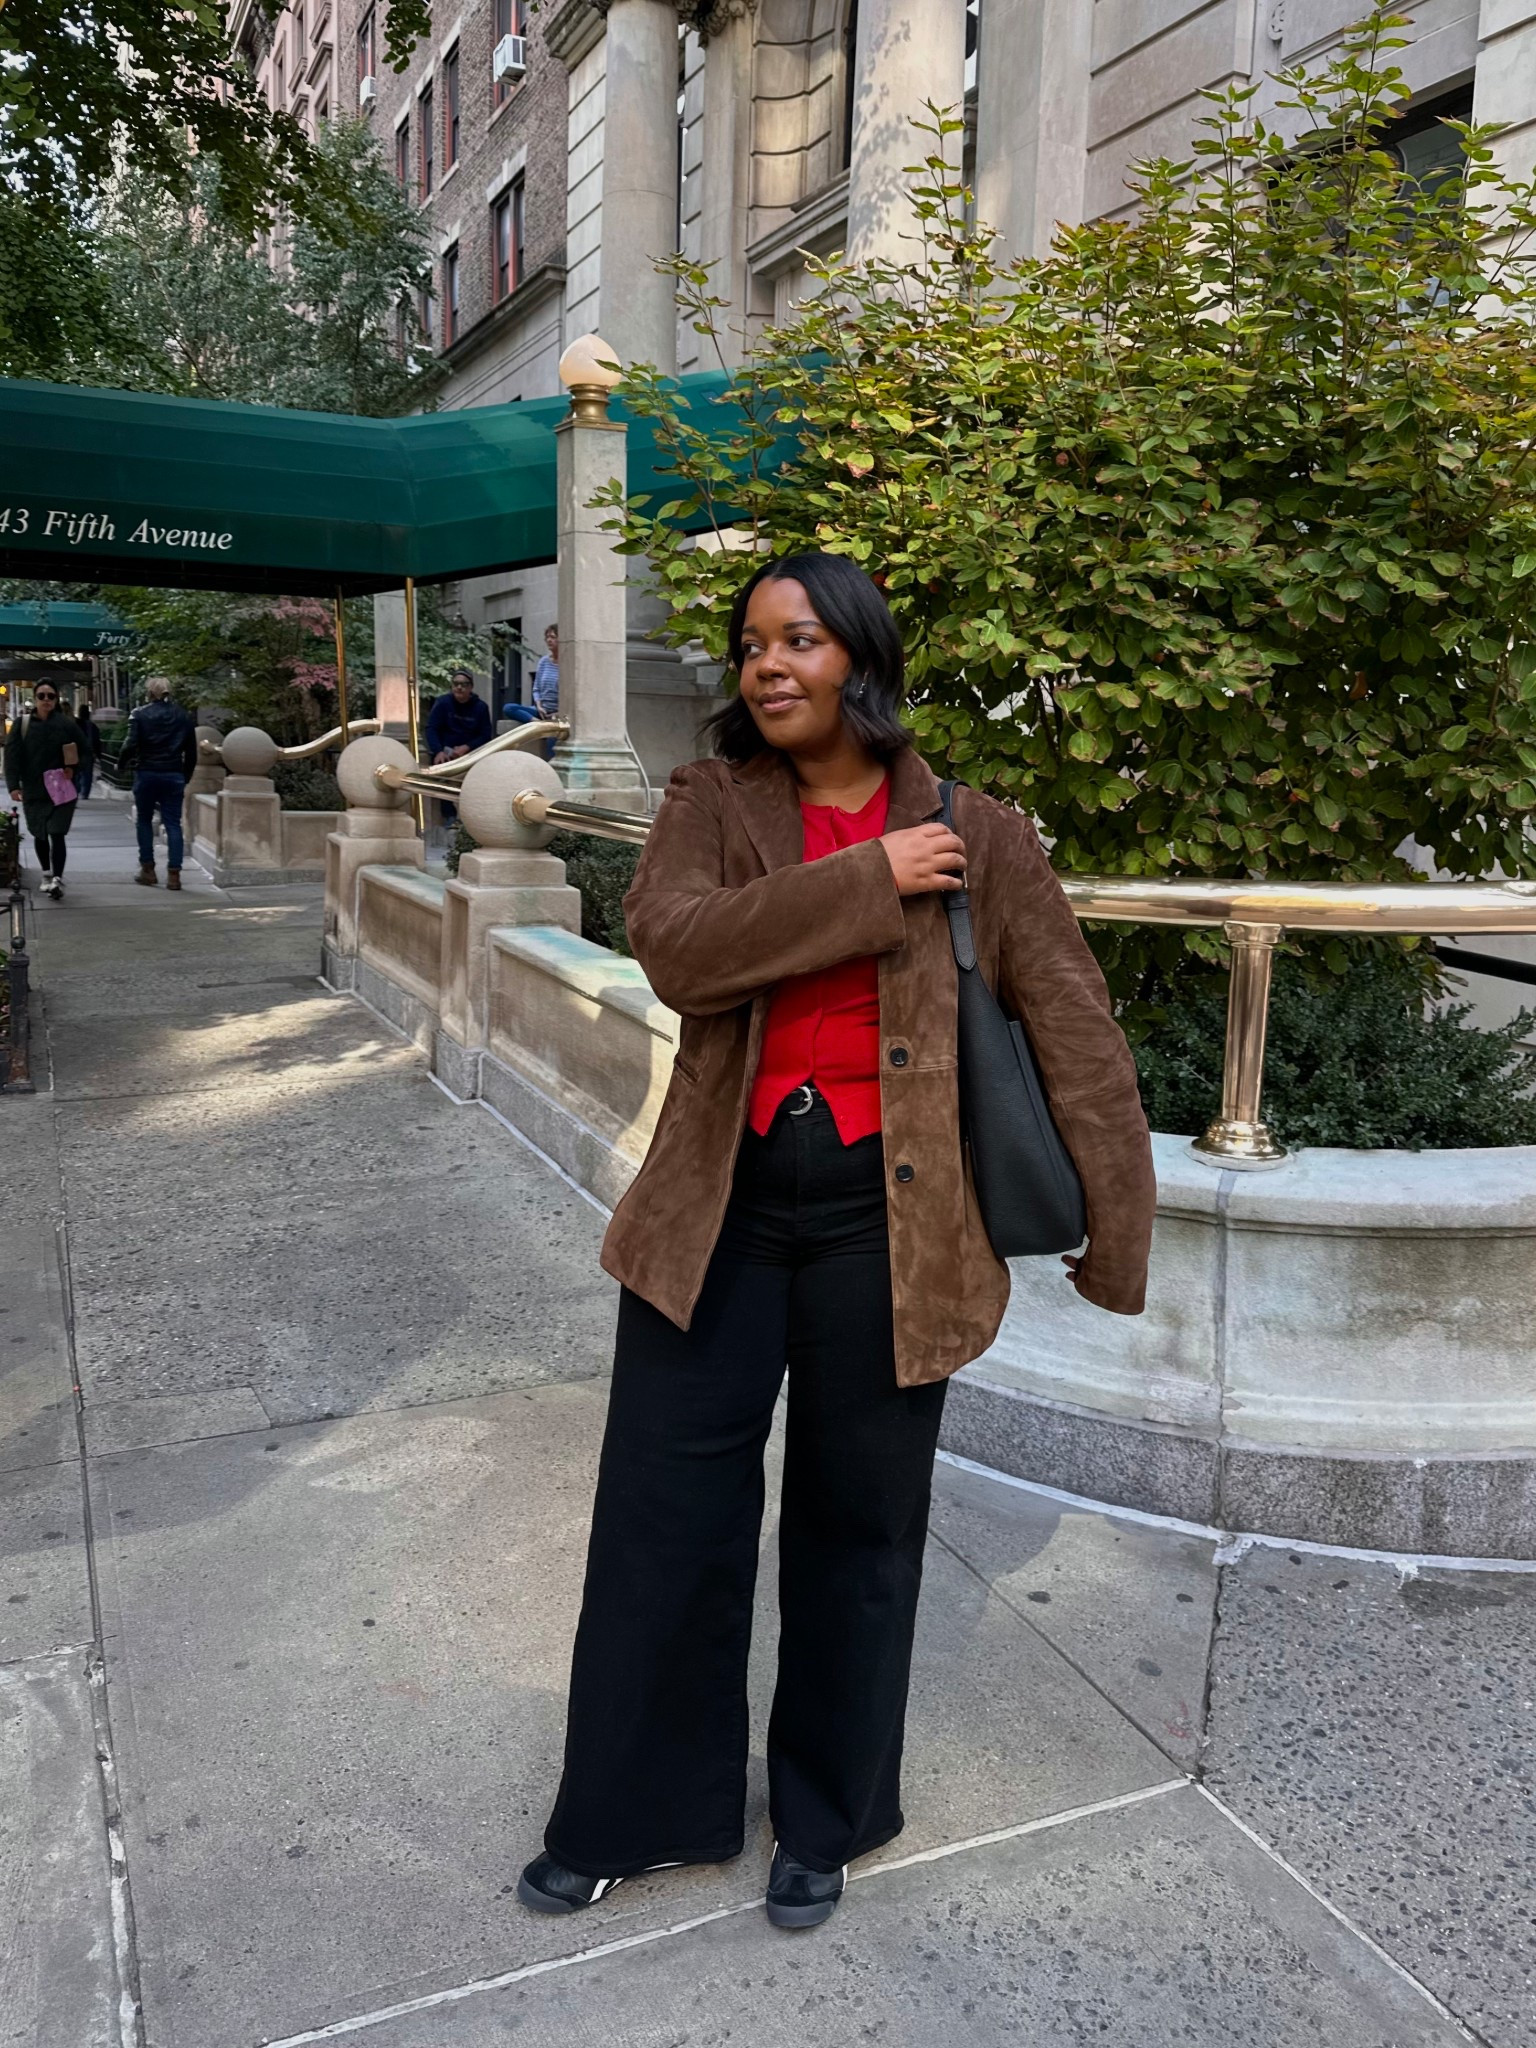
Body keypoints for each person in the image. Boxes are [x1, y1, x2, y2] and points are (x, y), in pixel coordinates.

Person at [518, 551, 1157, 1932]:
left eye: (798, 639)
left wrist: (1119, 1231)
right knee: (660, 1518)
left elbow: (1077, 1032)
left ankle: (828, 1816)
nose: (767, 665)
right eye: (752, 644)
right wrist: (871, 879)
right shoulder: (707, 804)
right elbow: (681, 951)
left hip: (897, 1222)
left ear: (860, 658)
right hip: (719, 1212)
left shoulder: (978, 832)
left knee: (860, 1529)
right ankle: (637, 1810)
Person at [4, 682, 82, 899]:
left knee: (57, 832)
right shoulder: (23, 724)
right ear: (36, 698)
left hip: (61, 790)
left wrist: (72, 768)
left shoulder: (66, 725)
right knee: (39, 832)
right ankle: (46, 873)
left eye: (51, 696)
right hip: (34, 788)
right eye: (41, 695)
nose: (46, 700)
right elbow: (12, 757)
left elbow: (84, 750)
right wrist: (13, 785)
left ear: (56, 699)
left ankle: (57, 877)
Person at [122, 679, 196, 890]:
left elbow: (130, 743)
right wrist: (186, 776)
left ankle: (148, 869)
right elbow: (191, 751)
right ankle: (174, 875)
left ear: (149, 693)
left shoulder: (139, 714)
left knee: (144, 821)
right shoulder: (183, 716)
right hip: (173, 774)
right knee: (173, 823)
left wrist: (121, 763)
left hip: (147, 773)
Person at [425, 668, 493, 764]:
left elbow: (485, 735)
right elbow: (431, 728)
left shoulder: (481, 707)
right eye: (456, 684)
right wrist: (438, 751)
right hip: (444, 755)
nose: (459, 687)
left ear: (471, 687)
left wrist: (467, 747)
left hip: (471, 756)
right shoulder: (442, 703)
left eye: (464, 684)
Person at [73, 703, 101, 800]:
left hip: (77, 752)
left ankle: (77, 791)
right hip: (88, 752)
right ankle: (85, 793)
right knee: (87, 774)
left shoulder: (75, 724)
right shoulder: (92, 726)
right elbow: (96, 741)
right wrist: (98, 754)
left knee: (76, 773)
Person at [531, 625, 559, 721]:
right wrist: (539, 706)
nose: (549, 640)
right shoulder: (543, 661)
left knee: (552, 736)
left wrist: (558, 713)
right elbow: (536, 689)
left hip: (557, 713)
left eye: (553, 637)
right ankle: (535, 722)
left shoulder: (566, 662)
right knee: (509, 708)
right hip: (541, 710)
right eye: (547, 637)